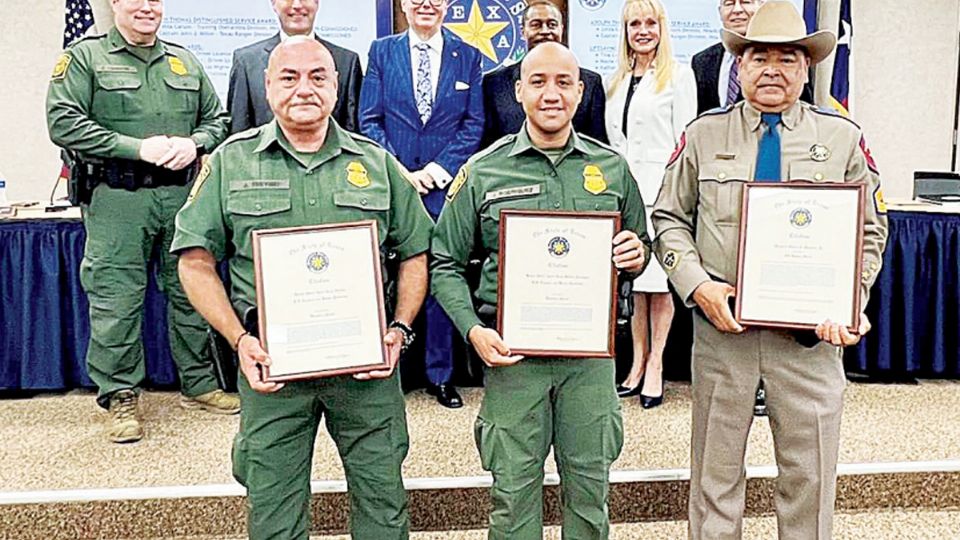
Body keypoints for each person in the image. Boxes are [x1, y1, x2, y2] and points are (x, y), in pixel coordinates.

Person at [172, 37, 434, 539]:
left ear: (336, 85)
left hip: (366, 371)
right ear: (268, 86)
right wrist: (239, 340)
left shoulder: (376, 162)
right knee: (273, 512)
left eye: (318, 76)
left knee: (383, 505)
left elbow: (417, 252)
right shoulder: (231, 162)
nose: (304, 88)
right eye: (289, 77)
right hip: (273, 370)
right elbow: (195, 261)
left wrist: (399, 328)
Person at [651, 3, 888, 538]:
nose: (773, 70)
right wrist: (698, 286)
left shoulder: (843, 138)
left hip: (808, 341)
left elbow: (870, 231)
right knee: (715, 480)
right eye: (760, 57)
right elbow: (667, 219)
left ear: (807, 69)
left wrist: (850, 300)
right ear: (740, 66)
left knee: (810, 479)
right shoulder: (704, 136)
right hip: (723, 334)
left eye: (788, 58)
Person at [431, 42, 650, 540]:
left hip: (589, 362)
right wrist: (472, 330)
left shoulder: (612, 169)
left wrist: (636, 254)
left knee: (591, 495)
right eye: (538, 82)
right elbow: (444, 262)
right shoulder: (484, 171)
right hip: (513, 359)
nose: (551, 93)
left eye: (563, 82)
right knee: (511, 499)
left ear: (579, 92)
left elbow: (641, 244)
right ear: (518, 92)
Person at [46, 0, 235, 444]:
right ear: (115, 4)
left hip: (181, 198)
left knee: (191, 291)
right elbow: (63, 122)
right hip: (117, 199)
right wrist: (135, 148)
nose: (146, 7)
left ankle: (199, 383)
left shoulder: (183, 59)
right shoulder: (84, 58)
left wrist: (195, 142)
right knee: (117, 299)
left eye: (155, 0)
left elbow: (218, 120)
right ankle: (119, 395)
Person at [359, 0, 484, 409]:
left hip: (443, 189)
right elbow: (370, 120)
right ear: (403, 6)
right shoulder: (381, 51)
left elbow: (473, 124)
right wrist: (401, 173)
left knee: (439, 278)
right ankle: (390, 368)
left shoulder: (467, 56)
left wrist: (438, 169)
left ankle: (440, 374)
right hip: (394, 185)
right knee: (383, 279)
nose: (426, 3)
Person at [604, 0, 696, 408]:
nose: (642, 30)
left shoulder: (680, 76)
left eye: (649, 23)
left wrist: (675, 196)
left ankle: (657, 363)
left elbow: (684, 143)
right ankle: (637, 360)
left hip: (662, 191)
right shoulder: (616, 80)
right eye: (633, 24)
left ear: (662, 28)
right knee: (637, 282)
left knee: (660, 284)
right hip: (627, 192)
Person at [480, 0, 607, 148]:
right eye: (536, 24)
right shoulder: (494, 83)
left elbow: (597, 144)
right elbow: (487, 144)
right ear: (523, 31)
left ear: (562, 29)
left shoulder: (590, 83)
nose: (545, 31)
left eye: (552, 24)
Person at [227, 0, 364, 133]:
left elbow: (352, 131)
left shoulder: (347, 61)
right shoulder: (247, 61)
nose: (297, 5)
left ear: (317, 2)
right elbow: (239, 128)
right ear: (273, 3)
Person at [692, 0, 813, 115]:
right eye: (729, 3)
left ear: (761, 7)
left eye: (746, 2)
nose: (737, 10)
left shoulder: (794, 59)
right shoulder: (702, 61)